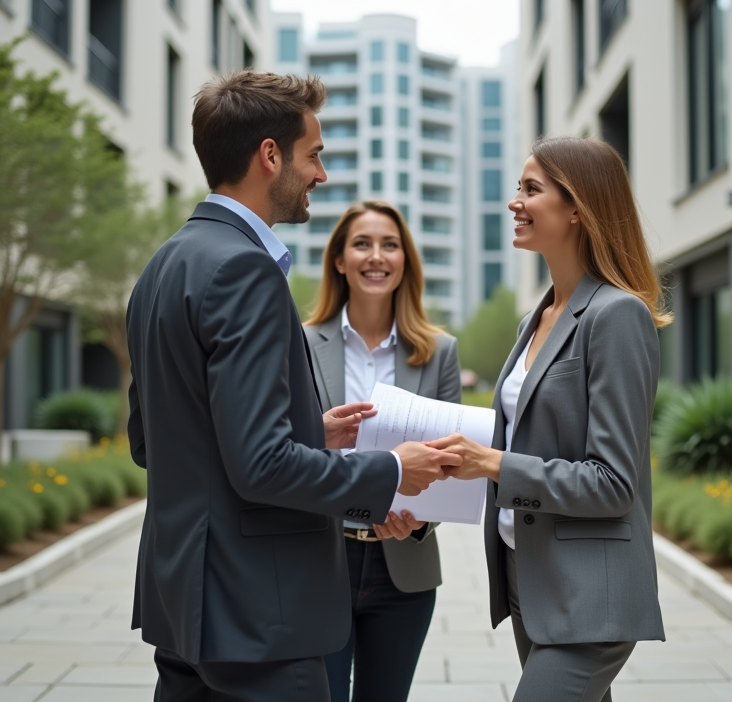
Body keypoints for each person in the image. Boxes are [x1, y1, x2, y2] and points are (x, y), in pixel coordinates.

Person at [125, 70, 460, 702]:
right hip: (259, 615)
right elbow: (261, 467)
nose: (321, 176)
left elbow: (154, 440)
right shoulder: (244, 271)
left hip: (185, 606)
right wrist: (391, 469)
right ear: (270, 155)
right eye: (315, 156)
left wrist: (312, 431)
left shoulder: (163, 266)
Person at [428, 137, 670, 702]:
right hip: (528, 576)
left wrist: (491, 462)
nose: (515, 201)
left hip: (588, 591)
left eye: (531, 189)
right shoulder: (536, 320)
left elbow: (613, 484)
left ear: (578, 208)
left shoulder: (616, 315)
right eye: (519, 186)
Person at [303, 201, 462, 702]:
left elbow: (453, 461)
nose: (377, 256)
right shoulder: (300, 343)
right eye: (362, 243)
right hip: (317, 560)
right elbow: (287, 449)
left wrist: (420, 520)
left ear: (405, 261)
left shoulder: (440, 352)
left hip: (404, 572)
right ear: (339, 260)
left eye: (390, 244)